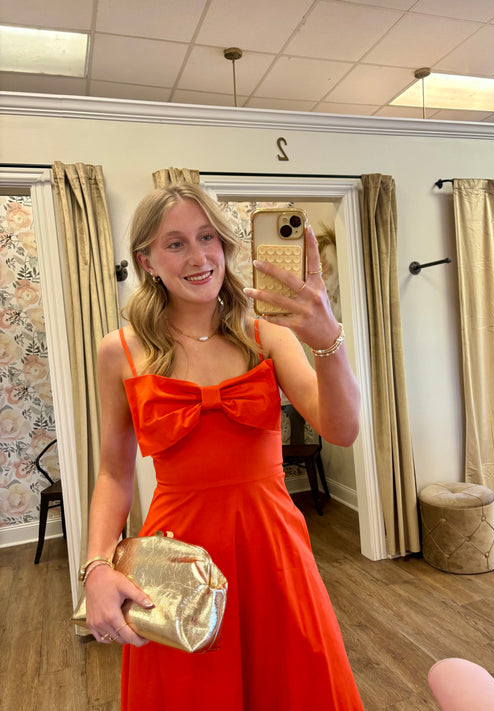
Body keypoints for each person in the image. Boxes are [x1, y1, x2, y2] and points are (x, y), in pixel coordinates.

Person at [83, 183, 364, 711]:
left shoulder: (267, 336)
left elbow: (342, 429)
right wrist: (97, 566)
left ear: (224, 244)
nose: (199, 257)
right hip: (176, 561)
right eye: (176, 243)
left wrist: (328, 339)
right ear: (147, 261)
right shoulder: (118, 352)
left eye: (207, 237)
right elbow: (114, 474)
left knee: (292, 687)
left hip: (273, 551)